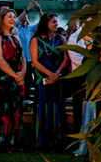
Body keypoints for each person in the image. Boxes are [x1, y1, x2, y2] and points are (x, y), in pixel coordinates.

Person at [29, 12, 70, 151]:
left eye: (57, 22)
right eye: (53, 22)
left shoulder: (61, 39)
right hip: (42, 78)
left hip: (57, 78)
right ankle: (40, 142)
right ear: (45, 23)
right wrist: (49, 74)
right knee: (42, 108)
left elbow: (66, 58)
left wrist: (57, 73)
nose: (56, 24)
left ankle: (55, 142)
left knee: (57, 108)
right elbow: (35, 61)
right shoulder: (35, 40)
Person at [0, 8, 26, 152]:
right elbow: (0, 60)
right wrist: (15, 75)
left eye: (14, 17)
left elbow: (22, 57)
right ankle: (0, 142)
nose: (13, 19)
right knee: (2, 110)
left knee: (15, 109)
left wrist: (23, 73)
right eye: (10, 16)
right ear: (2, 19)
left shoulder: (15, 37)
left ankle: (14, 142)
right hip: (2, 79)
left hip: (17, 78)